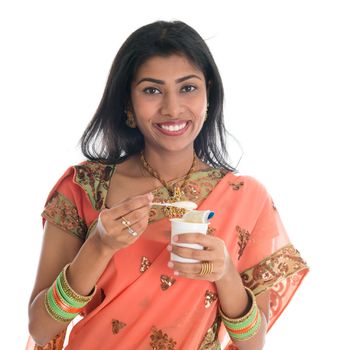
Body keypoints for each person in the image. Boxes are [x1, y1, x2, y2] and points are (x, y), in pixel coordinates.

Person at [27, 20, 309, 350]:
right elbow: (41, 328)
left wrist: (225, 274)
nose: (172, 108)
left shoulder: (246, 198)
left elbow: (252, 343)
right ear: (128, 105)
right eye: (152, 90)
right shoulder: (85, 188)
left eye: (188, 88)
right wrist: (99, 246)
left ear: (209, 95)